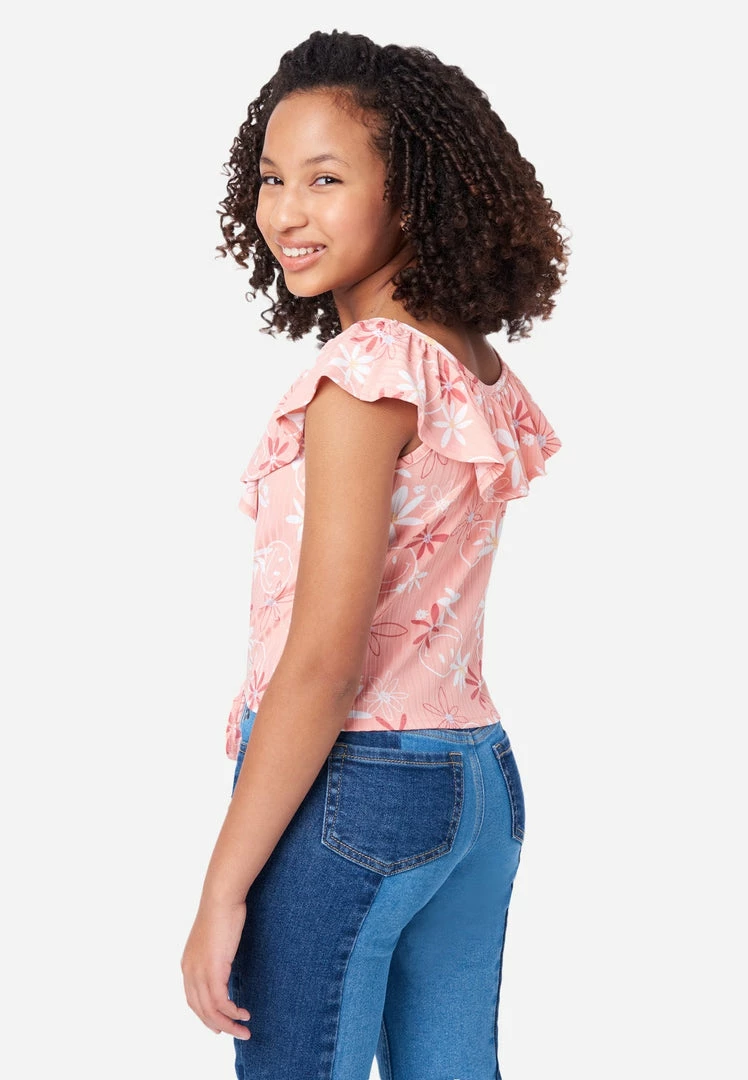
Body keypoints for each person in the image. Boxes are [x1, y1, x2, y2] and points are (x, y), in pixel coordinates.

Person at [181, 28, 569, 1080]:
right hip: (475, 783)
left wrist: (222, 887)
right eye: (271, 178)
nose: (285, 213)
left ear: (411, 195)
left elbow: (324, 663)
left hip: (355, 790)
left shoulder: (362, 380)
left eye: (326, 179)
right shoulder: (465, 363)